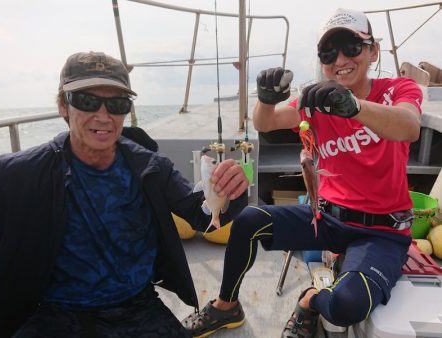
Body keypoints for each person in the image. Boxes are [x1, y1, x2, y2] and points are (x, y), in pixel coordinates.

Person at [181, 8, 422, 338]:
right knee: (249, 219)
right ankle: (227, 306)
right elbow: (266, 123)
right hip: (325, 218)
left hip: (382, 232)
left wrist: (353, 106)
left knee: (345, 307)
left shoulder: (398, 90)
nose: (340, 59)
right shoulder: (314, 101)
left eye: (351, 47)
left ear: (373, 51)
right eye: (328, 52)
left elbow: (409, 126)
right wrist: (265, 100)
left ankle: (309, 300)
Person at [0, 51, 249, 338]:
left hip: (138, 306)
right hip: (53, 311)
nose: (103, 116)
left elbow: (200, 214)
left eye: (117, 103)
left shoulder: (151, 167)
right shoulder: (16, 173)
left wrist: (230, 190)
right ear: (63, 106)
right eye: (87, 100)